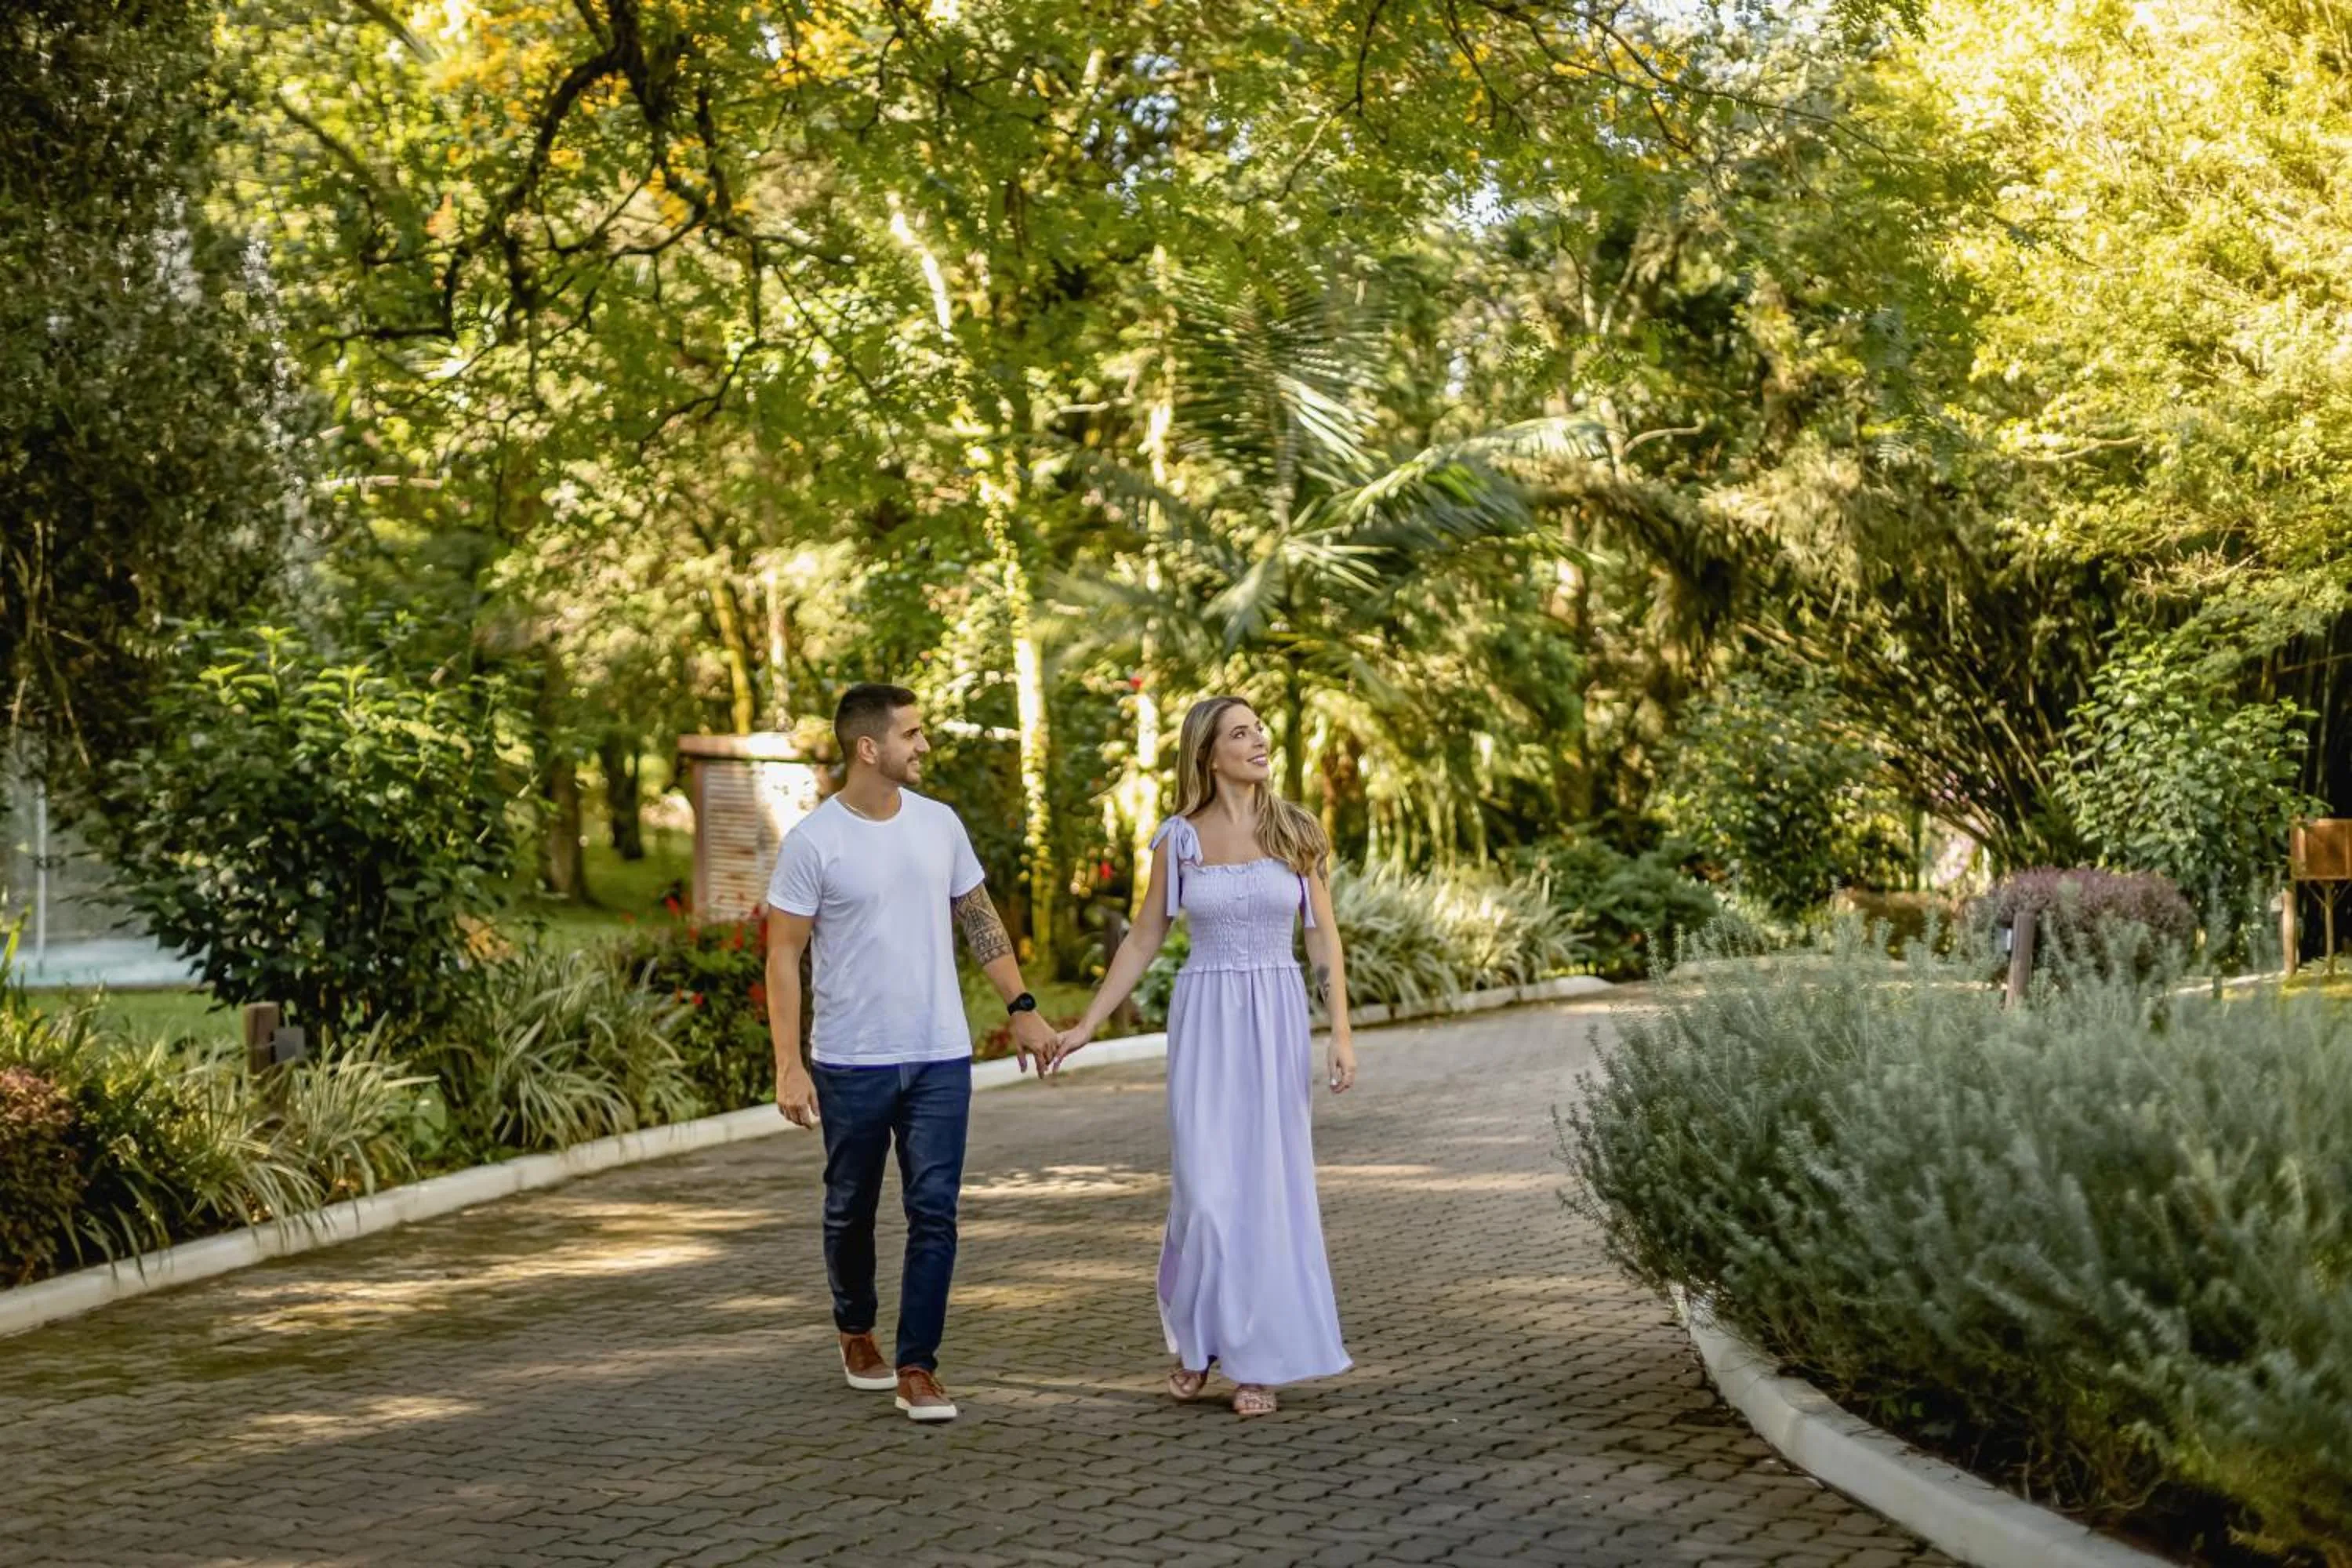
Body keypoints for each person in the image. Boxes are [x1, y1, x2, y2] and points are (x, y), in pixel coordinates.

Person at [1049, 695, 1356, 1417]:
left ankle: (1255, 1361)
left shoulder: (1296, 832)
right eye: (1241, 733)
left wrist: (1340, 1031)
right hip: (1206, 1020)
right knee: (1206, 1194)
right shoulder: (1178, 839)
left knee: (1267, 1191)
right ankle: (1199, 1339)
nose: (1259, 741)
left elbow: (1322, 936)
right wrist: (1090, 1022)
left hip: (1275, 1017)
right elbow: (1144, 937)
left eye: (1260, 730)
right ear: (1208, 754)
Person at [764, 683, 1058, 1423]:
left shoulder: (940, 824)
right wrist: (789, 1064)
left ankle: (918, 1367)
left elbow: (979, 918)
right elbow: (782, 957)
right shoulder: (813, 843)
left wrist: (1022, 1008)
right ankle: (855, 1326)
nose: (924, 744)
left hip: (938, 1055)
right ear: (869, 748)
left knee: (934, 1210)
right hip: (851, 1059)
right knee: (850, 1208)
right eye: (912, 734)